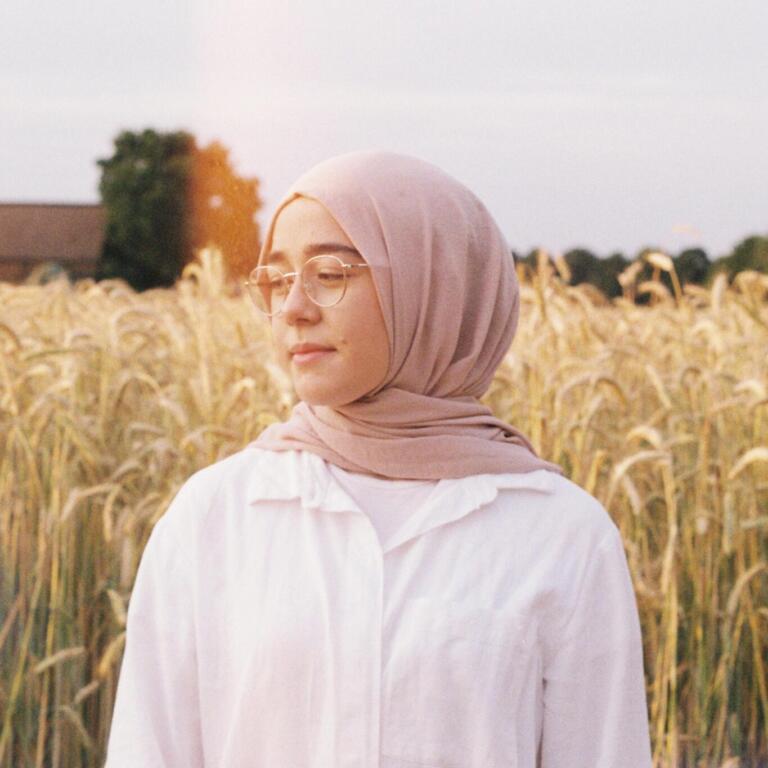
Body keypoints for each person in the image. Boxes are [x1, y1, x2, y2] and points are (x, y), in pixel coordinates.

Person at [105, 151, 652, 767]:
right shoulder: (213, 517)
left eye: (331, 273)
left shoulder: (562, 536)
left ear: (435, 284)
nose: (293, 309)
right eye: (278, 279)